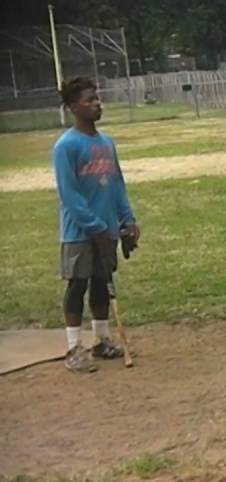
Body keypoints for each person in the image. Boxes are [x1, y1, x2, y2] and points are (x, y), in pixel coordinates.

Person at [53, 76, 140, 373]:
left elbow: (116, 186)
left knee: (102, 283)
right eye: (89, 100)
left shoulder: (106, 143)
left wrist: (127, 221)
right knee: (78, 285)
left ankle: (101, 339)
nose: (96, 103)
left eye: (96, 98)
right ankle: (73, 347)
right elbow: (70, 194)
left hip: (107, 229)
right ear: (74, 107)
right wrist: (94, 226)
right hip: (79, 232)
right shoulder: (66, 146)